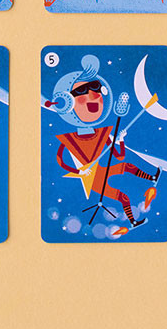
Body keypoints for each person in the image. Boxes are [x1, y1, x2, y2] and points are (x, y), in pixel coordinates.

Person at [46, 55, 158, 228]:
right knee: (123, 197)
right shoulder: (70, 139)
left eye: (97, 90)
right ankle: (133, 221)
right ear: (67, 103)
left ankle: (152, 178)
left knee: (127, 166)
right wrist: (78, 171)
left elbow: (119, 157)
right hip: (94, 180)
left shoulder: (102, 135)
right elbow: (60, 160)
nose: (94, 95)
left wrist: (121, 141)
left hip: (101, 171)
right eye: (82, 91)